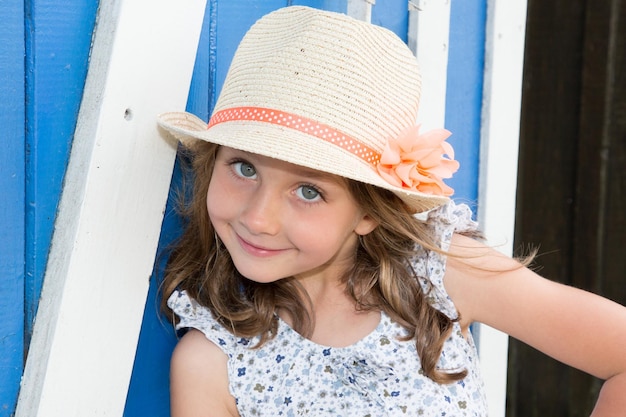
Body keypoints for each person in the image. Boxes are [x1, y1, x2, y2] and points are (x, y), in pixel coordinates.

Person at [157, 6, 626, 417]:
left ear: (369, 212)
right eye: (244, 167)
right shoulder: (213, 361)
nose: (259, 218)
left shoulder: (440, 274)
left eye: (309, 191)